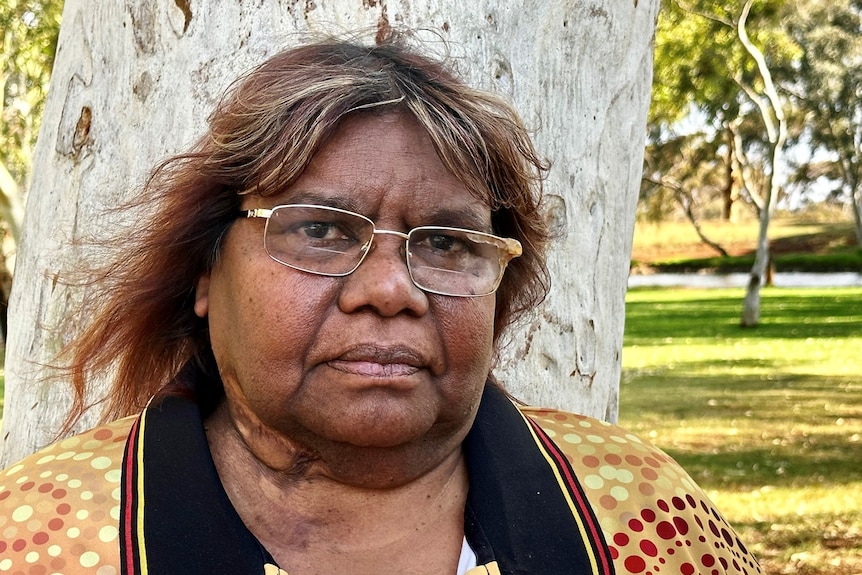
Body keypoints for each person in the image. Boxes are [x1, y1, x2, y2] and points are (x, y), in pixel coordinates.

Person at [0, 32, 762, 575]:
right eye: (322, 230)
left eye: (447, 243)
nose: (390, 290)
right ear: (206, 270)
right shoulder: (40, 537)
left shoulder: (644, 519)